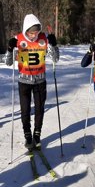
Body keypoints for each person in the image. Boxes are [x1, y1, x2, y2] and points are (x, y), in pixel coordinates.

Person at [4, 14, 59, 150]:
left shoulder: (43, 39)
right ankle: (28, 136)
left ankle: (37, 134)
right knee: (25, 111)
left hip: (40, 81)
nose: (34, 36)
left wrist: (53, 44)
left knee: (40, 109)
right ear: (25, 30)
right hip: (24, 81)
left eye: (36, 32)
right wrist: (10, 49)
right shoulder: (18, 39)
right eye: (31, 33)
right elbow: (8, 62)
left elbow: (55, 59)